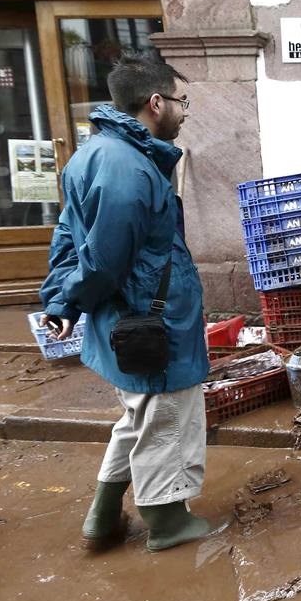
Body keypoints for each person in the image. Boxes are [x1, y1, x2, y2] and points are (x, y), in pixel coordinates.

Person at [40, 53, 223, 553]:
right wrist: (69, 300)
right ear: (156, 102)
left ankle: (102, 516)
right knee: (166, 419)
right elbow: (102, 259)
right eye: (182, 102)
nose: (185, 113)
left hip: (133, 318)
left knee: (139, 415)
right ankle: (167, 522)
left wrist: (61, 297)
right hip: (149, 321)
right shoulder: (126, 167)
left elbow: (67, 235)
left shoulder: (97, 153)